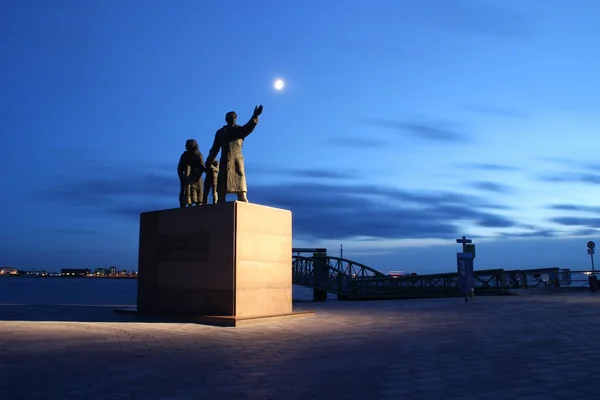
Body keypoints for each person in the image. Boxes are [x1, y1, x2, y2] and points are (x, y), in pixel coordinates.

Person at [205, 105, 263, 202]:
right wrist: (209, 160)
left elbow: (249, 126)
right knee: (222, 191)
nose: (233, 119)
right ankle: (221, 204)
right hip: (225, 161)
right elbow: (215, 148)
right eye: (230, 117)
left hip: (237, 161)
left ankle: (243, 200)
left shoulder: (239, 130)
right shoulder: (220, 132)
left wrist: (255, 115)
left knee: (241, 188)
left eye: (234, 117)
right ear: (226, 119)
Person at [177, 139, 205, 208]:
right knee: (184, 196)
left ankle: (199, 210)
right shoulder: (184, 155)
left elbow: (202, 167)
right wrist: (182, 177)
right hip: (186, 178)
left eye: (187, 144)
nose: (185, 146)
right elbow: (179, 168)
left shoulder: (198, 154)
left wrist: (194, 176)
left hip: (196, 178)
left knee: (198, 198)